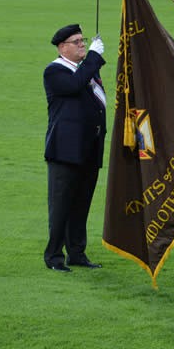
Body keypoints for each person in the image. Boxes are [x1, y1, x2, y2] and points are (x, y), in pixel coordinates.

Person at [43, 25, 107, 272]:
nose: (82, 44)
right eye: (77, 41)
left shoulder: (85, 72)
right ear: (62, 47)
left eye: (83, 40)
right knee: (61, 207)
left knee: (81, 205)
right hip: (65, 152)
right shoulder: (54, 71)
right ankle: (54, 257)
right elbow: (74, 86)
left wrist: (91, 61)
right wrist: (93, 57)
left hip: (89, 149)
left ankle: (77, 253)